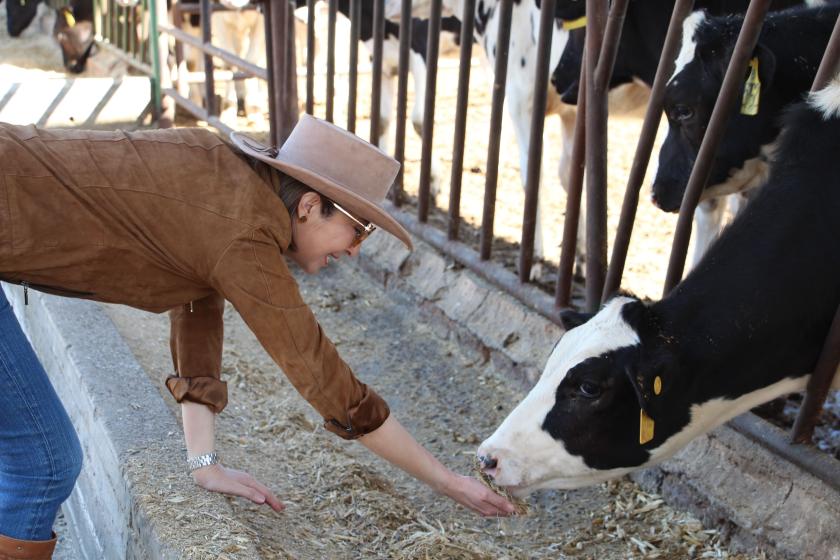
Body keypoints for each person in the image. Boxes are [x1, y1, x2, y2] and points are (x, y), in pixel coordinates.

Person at [0, 115, 515, 557]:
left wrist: (204, 464)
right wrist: (447, 482)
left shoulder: (220, 174)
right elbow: (322, 375)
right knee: (44, 463)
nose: (357, 249)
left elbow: (197, 310)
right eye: (360, 230)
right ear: (310, 205)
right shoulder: (242, 230)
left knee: (39, 460)